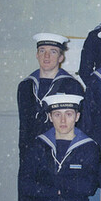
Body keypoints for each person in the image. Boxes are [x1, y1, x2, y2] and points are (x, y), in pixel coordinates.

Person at [17, 33, 85, 167]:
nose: (46, 56)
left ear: (61, 57)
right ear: (37, 54)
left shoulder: (72, 85)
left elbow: (78, 126)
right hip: (31, 152)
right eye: (42, 51)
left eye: (52, 52)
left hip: (59, 153)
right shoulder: (26, 86)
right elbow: (24, 126)